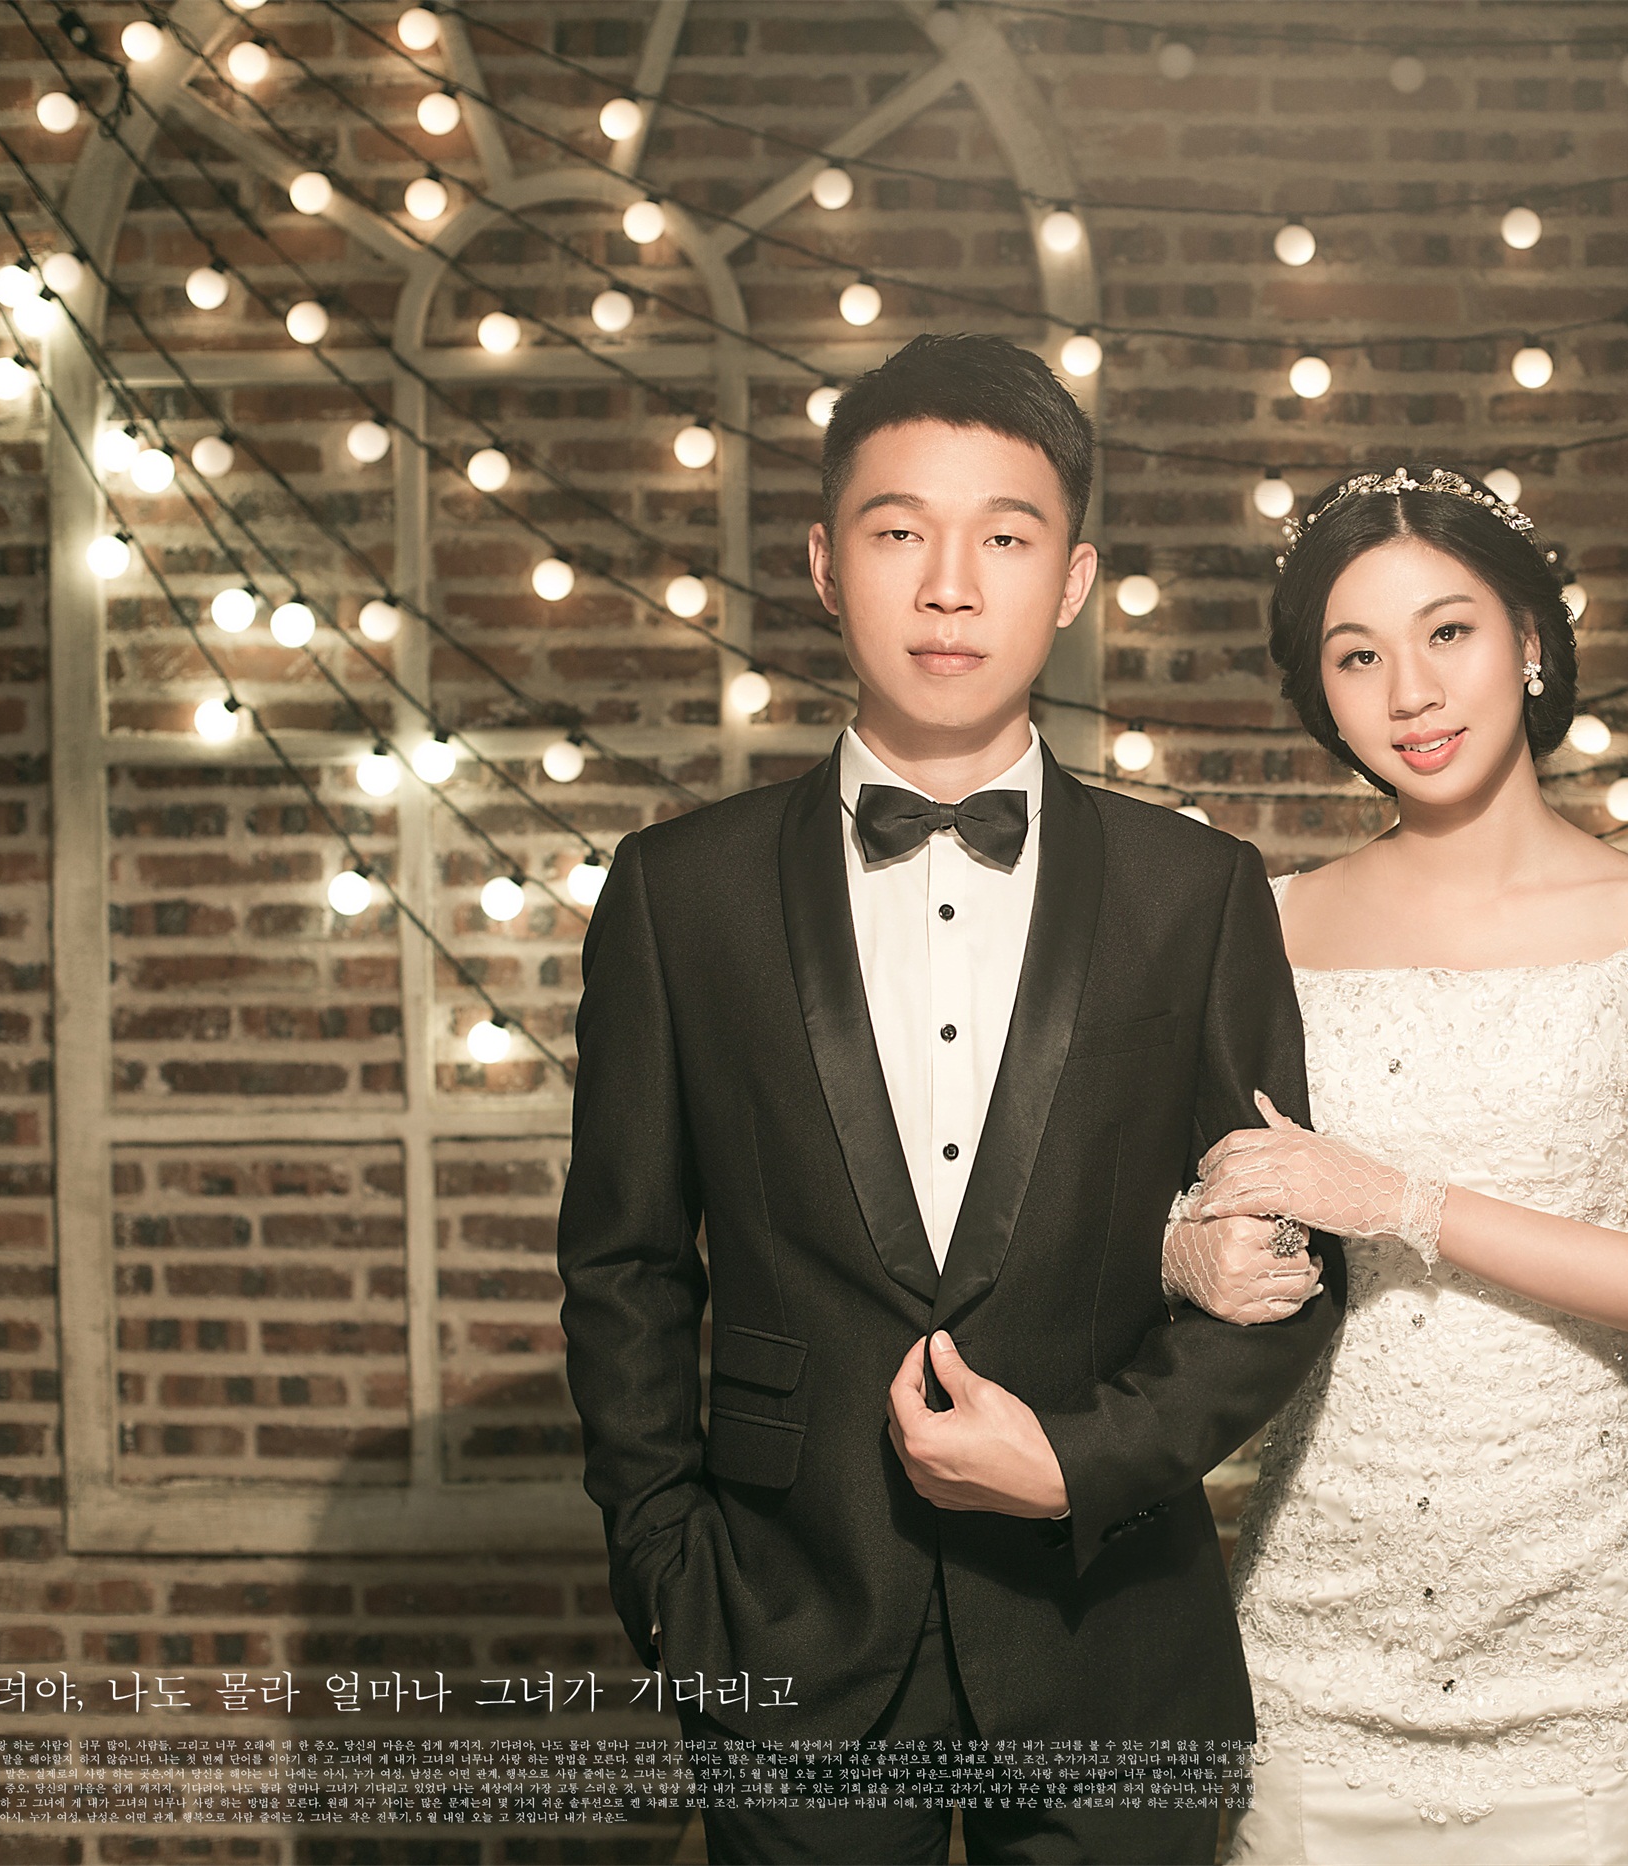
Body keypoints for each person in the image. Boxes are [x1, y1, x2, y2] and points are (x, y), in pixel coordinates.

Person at [556, 331, 1344, 1866]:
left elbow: (1292, 1262)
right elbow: (625, 1265)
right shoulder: (676, 892)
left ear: (1074, 579)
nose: (949, 586)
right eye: (899, 532)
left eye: (1006, 538)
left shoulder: (1195, 891)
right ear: (823, 562)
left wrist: (1078, 1461)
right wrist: (669, 1573)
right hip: (790, 1633)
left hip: (1113, 1639)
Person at [1158, 464, 1628, 1863]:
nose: (1411, 691)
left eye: (1448, 631)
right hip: (1317, 1627)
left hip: (1582, 1623)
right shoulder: (1258, 926)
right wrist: (1185, 1251)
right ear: (1321, 692)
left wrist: (1399, 1201)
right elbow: (1173, 1211)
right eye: (1358, 655)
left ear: (1528, 639)